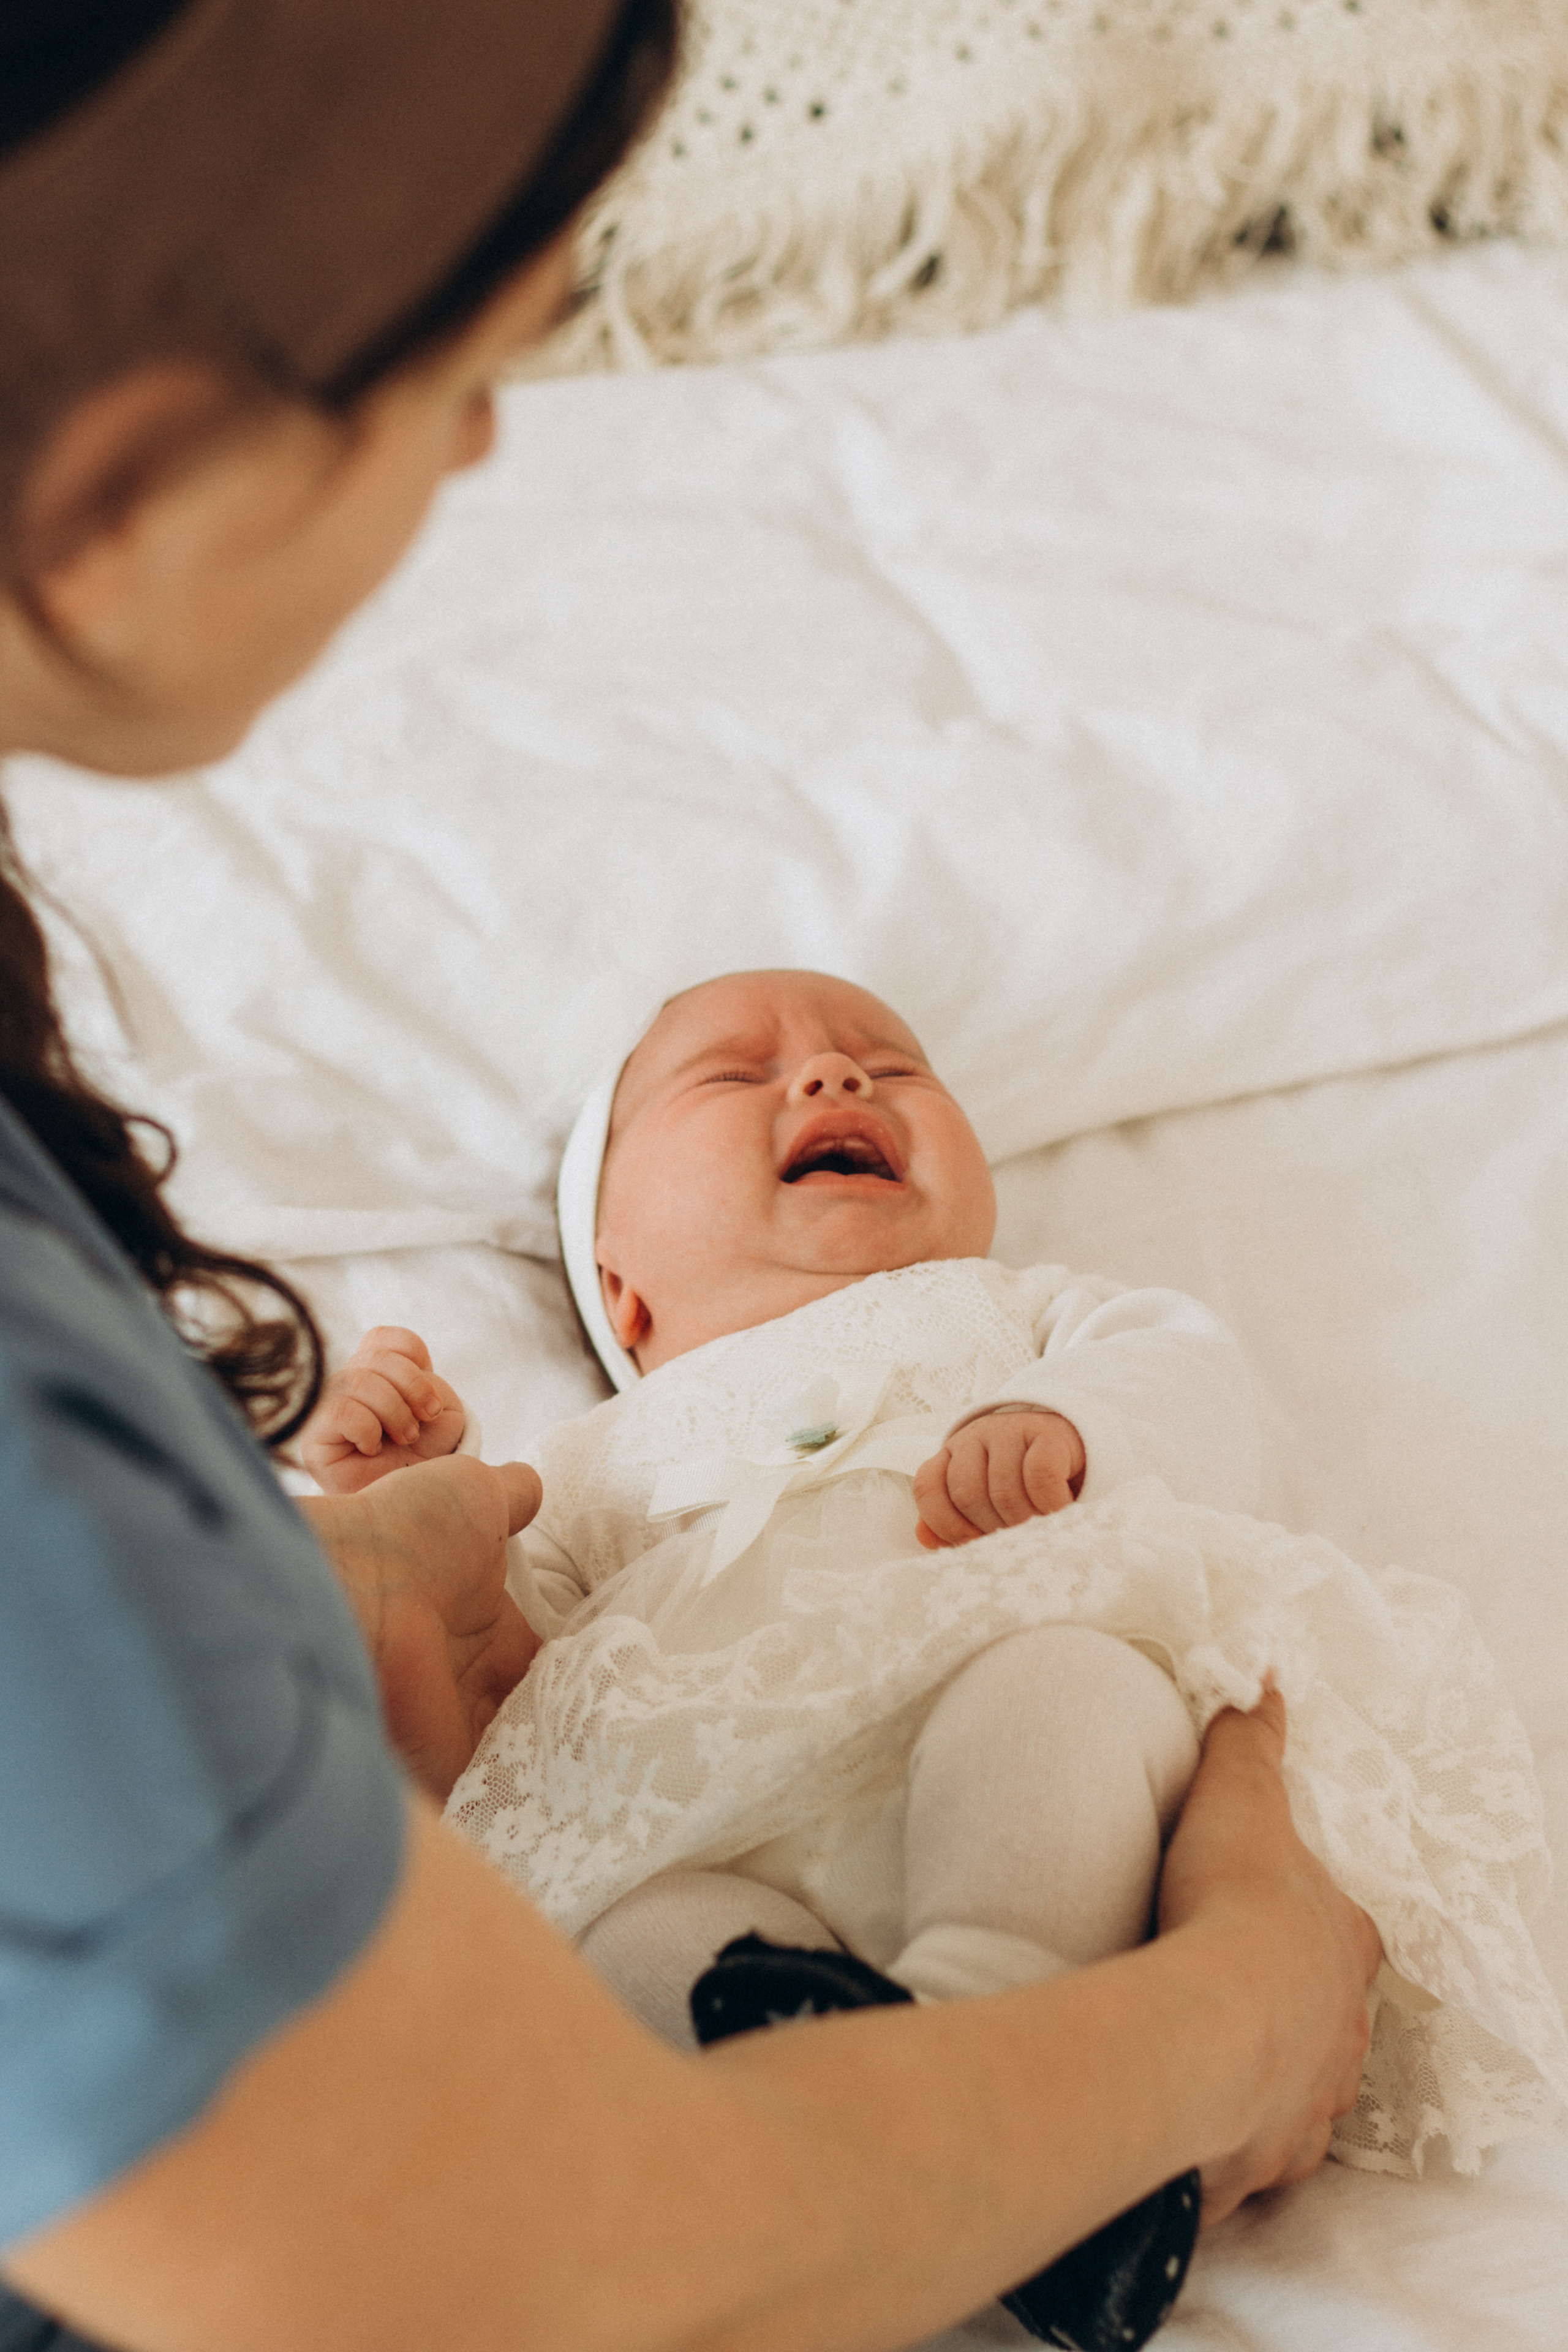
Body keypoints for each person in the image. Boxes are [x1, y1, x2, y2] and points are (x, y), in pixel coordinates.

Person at [0, 8, 1382, 2352]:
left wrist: (339, 1581)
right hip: (678, 1944)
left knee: (1050, 1710)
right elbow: (560, 2262)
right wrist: (1242, 2004)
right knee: (630, 1924)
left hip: (967, 1675)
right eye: (449, 378)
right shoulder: (119, 1479)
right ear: (124, 491)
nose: (489, 438)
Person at [304, 967, 1566, 2345]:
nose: (833, 1077)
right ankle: (914, 2125)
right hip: (718, 1836)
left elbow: (1188, 1386)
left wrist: (1066, 1426)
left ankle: (992, 2012)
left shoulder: (1016, 1314)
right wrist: (423, 1515)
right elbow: (510, 1705)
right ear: (622, 1286)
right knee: (613, 1934)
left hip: (1016, 1732)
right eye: (733, 1074)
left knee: (1064, 1691)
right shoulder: (582, 1463)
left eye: (891, 1063)